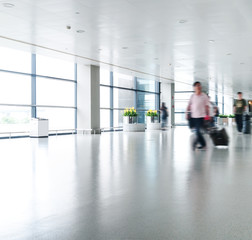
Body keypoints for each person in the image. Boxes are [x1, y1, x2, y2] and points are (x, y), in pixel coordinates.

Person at [186, 81, 209, 150]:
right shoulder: (192, 96)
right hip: (193, 117)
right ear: (194, 88)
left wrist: (208, 115)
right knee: (196, 131)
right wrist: (187, 113)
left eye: (199, 85)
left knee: (198, 131)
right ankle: (196, 143)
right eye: (196, 86)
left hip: (201, 117)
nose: (198, 87)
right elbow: (189, 105)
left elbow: (207, 106)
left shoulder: (204, 96)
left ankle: (203, 144)